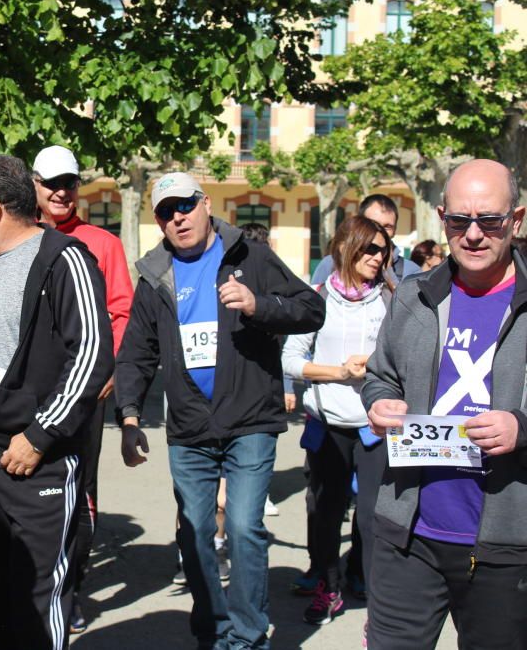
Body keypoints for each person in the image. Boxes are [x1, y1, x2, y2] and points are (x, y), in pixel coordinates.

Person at [115, 172, 324, 649]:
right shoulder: (154, 275)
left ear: (206, 203)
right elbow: (136, 353)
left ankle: (249, 637)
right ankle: (213, 629)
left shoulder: (250, 256)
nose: (178, 218)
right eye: (166, 212)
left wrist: (259, 305)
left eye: (185, 206)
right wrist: (128, 416)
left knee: (247, 527)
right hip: (189, 427)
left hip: (250, 419)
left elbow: (311, 308)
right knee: (195, 534)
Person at [0, 154, 113, 650]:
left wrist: (39, 436)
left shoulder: (65, 258)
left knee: (39, 599)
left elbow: (92, 354)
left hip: (38, 462)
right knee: (0, 598)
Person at [364, 159, 527, 649]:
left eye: (489, 221)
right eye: (459, 221)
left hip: (506, 546)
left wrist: (523, 427)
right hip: (408, 535)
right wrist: (381, 404)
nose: (473, 234)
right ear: (442, 218)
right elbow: (380, 377)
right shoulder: (413, 296)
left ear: (516, 221)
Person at [32, 144, 133, 632]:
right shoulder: (17, 237)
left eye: (68, 182)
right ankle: (11, 594)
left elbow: (121, 312)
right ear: (32, 184)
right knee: (16, 492)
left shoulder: (102, 243)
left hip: (82, 393)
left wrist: (105, 371)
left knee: (77, 492)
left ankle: (68, 592)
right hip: (25, 394)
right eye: (50, 182)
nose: (60, 192)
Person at [282, 216, 393, 625]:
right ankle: (328, 588)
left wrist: (377, 367)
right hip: (327, 425)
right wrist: (338, 373)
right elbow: (291, 360)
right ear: (346, 249)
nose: (378, 257)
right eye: (370, 249)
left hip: (375, 428)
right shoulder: (317, 299)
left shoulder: (391, 300)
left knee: (372, 517)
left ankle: (375, 597)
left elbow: (407, 360)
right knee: (325, 513)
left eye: (383, 250)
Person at [311, 194, 421, 285]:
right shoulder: (331, 264)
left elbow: (412, 310)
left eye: (387, 226)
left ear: (395, 230)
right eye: (373, 224)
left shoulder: (410, 271)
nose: (380, 231)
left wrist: (389, 275)